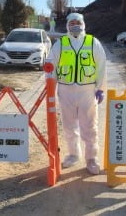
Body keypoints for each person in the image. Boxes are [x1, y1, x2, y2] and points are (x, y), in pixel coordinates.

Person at [46, 13, 107, 175]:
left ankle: (91, 158)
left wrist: (100, 88)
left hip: (87, 90)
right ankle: (73, 154)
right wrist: (50, 87)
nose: (75, 25)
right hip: (65, 90)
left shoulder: (93, 42)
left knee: (89, 125)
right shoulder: (60, 44)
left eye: (78, 22)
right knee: (69, 125)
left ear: (83, 24)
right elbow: (51, 65)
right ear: (67, 25)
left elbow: (101, 66)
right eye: (72, 23)